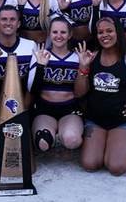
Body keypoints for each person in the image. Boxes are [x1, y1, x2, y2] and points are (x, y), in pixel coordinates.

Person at [75, 17, 126, 175]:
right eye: (100, 32)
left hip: (123, 121)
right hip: (96, 120)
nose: (104, 35)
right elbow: (79, 93)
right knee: (90, 164)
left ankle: (121, 143)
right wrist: (83, 67)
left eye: (109, 31)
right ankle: (104, 143)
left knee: (117, 167)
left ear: (118, 33)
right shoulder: (91, 58)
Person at [0, 5, 35, 153]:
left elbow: (32, 87)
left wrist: (22, 112)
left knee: (27, 150)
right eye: (3, 19)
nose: (8, 23)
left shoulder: (30, 46)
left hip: (23, 106)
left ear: (19, 23)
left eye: (12, 19)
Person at [27, 17, 84, 152]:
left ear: (70, 35)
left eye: (63, 32)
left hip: (69, 110)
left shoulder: (77, 58)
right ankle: (50, 132)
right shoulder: (40, 55)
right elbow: (33, 90)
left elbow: (82, 92)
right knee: (43, 143)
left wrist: (83, 66)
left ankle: (75, 132)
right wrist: (40, 66)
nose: (59, 36)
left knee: (72, 141)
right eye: (55, 32)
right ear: (49, 34)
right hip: (45, 110)